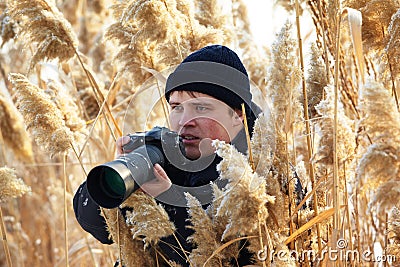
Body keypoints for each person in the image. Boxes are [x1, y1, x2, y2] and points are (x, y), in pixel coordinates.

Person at [73, 45, 262, 266]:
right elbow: (99, 228)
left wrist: (171, 202)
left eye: (201, 108)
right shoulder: (167, 155)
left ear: (237, 115)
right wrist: (123, 172)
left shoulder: (264, 173)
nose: (184, 122)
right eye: (177, 107)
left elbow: (221, 258)